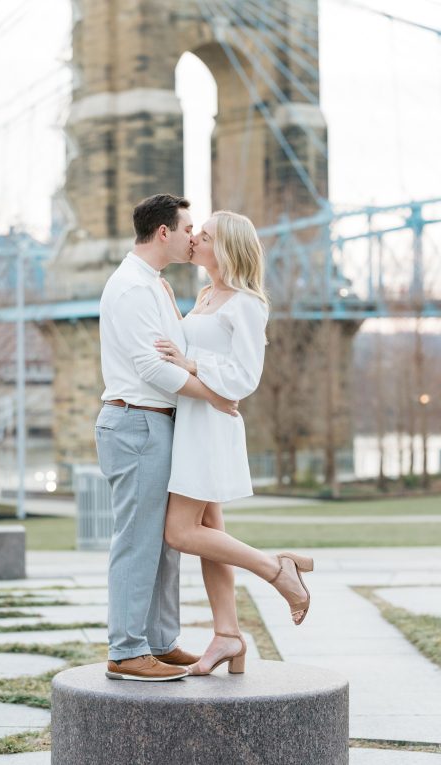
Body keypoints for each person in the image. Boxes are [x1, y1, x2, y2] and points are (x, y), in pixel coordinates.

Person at [157, 211, 313, 677]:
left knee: (180, 533)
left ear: (225, 248)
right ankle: (228, 635)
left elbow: (245, 377)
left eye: (203, 236)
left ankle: (277, 570)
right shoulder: (205, 295)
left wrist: (190, 363)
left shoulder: (246, 303)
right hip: (192, 420)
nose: (194, 240)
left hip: (210, 425)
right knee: (211, 538)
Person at [96, 194, 242, 682]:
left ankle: (159, 641)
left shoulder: (155, 285)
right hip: (136, 420)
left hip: (157, 422)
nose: (193, 236)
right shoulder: (133, 290)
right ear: (165, 233)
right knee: (137, 541)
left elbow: (174, 354)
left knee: (164, 544)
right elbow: (150, 368)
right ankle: (127, 649)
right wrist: (214, 396)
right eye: (188, 228)